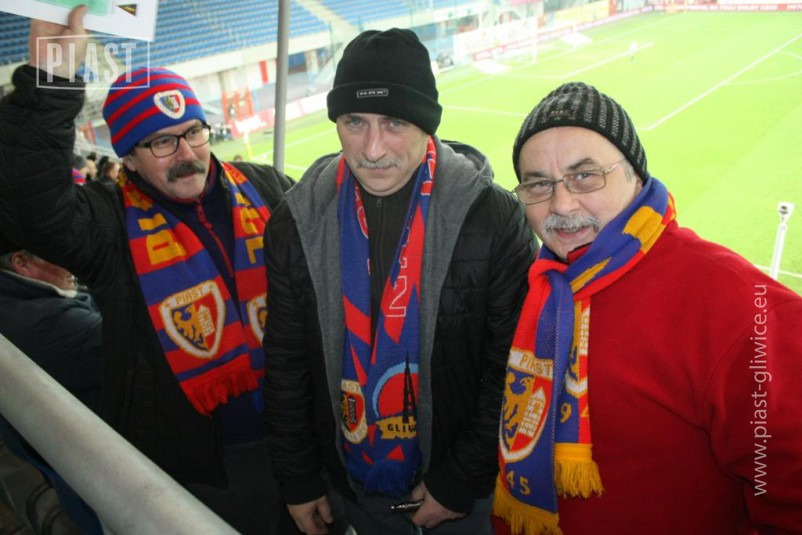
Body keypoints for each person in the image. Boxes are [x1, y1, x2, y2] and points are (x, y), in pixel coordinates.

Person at [0, 7, 293, 534]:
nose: (187, 154)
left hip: (300, 435)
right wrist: (52, 75)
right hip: (205, 465)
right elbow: (31, 207)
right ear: (128, 158)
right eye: (162, 142)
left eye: (194, 132)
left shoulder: (263, 186)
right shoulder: (108, 223)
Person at [492, 81, 802, 535]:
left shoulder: (736, 304)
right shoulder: (547, 284)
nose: (561, 203)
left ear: (636, 176)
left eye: (585, 175)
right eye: (539, 184)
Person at [262, 28, 535, 535]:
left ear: (426, 125)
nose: (372, 149)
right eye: (354, 122)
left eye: (394, 123)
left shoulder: (493, 219)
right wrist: (298, 478)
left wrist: (460, 479)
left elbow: (513, 366)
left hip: (464, 494)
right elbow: (286, 362)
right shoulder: (295, 222)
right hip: (354, 487)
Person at [0, 236, 103, 534]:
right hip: (98, 481)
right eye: (57, 252)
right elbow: (143, 353)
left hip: (64, 469)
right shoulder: (48, 323)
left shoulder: (21, 300)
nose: (71, 262)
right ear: (22, 263)